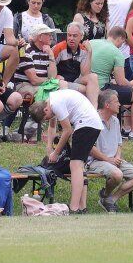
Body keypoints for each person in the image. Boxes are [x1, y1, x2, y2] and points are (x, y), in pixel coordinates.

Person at [36, 83, 103, 213]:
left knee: (75, 166)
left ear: (45, 110)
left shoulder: (55, 104)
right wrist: (49, 147)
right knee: (79, 167)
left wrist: (56, 153)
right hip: (91, 123)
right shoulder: (52, 100)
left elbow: (67, 131)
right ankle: (82, 207)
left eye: (45, 118)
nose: (48, 119)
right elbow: (52, 126)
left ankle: (74, 207)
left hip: (86, 124)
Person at [87, 89, 133, 211]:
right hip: (95, 161)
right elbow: (89, 148)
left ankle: (110, 200)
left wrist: (117, 157)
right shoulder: (93, 120)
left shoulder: (116, 120)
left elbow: (119, 143)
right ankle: (106, 195)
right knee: (117, 174)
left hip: (114, 160)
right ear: (107, 105)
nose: (119, 104)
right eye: (116, 101)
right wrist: (108, 160)